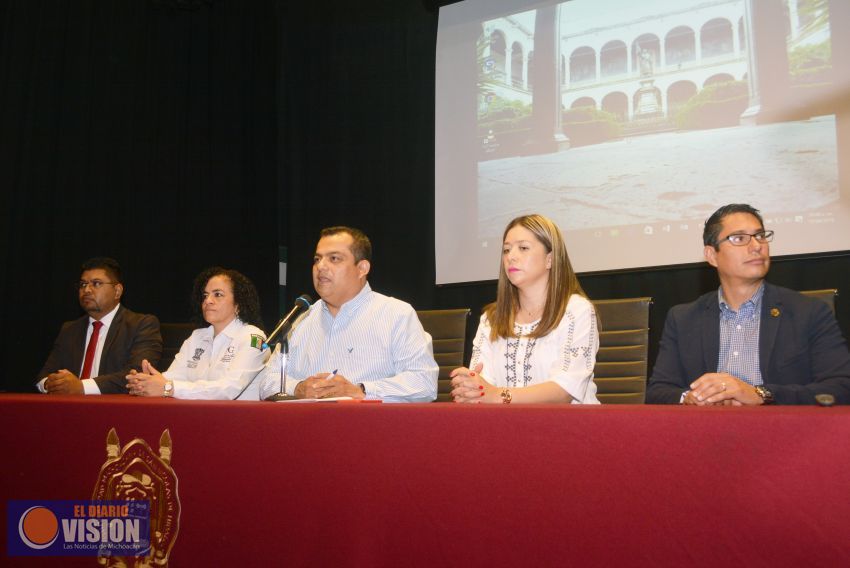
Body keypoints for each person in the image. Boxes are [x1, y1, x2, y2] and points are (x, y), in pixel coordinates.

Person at [647, 204, 850, 405]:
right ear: (711, 255)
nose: (756, 246)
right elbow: (658, 392)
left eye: (760, 236)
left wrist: (761, 394)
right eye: (739, 238)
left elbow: (841, 387)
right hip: (708, 432)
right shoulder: (683, 318)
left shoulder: (808, 312)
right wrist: (692, 398)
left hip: (783, 432)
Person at [261, 226, 438, 402]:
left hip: (369, 425)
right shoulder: (300, 319)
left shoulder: (396, 314)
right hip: (308, 426)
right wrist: (298, 388)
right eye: (317, 259)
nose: (321, 266)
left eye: (334, 258)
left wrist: (360, 390)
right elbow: (266, 381)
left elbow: (424, 382)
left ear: (362, 268)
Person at [451, 214, 600, 404]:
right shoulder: (492, 318)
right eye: (506, 250)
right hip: (505, 428)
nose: (511, 257)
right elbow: (482, 387)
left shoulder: (576, 311)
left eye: (523, 248)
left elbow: (565, 390)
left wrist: (497, 395)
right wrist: (470, 388)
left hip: (568, 428)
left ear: (550, 259)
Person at [126, 267, 269, 400]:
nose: (208, 301)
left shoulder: (253, 338)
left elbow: (230, 388)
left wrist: (168, 387)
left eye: (217, 294)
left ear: (238, 304)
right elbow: (175, 378)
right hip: (198, 417)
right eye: (205, 295)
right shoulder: (197, 337)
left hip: (239, 421)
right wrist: (146, 381)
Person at [37, 257, 162, 395]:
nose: (87, 290)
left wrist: (82, 387)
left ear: (117, 291)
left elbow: (137, 375)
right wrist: (51, 384)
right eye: (83, 284)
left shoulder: (141, 325)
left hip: (115, 410)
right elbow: (44, 376)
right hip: (69, 409)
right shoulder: (70, 329)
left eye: (96, 283)